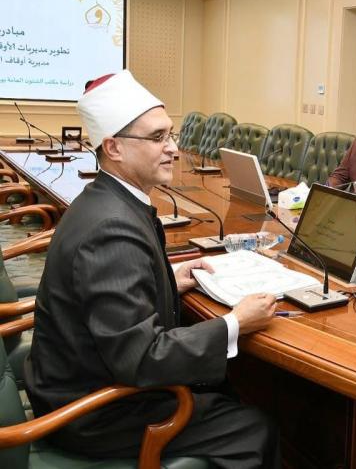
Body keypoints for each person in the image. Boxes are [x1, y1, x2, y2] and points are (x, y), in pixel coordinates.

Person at [25, 70, 280, 468]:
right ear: (114, 148)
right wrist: (235, 323)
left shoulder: (105, 198)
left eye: (171, 135)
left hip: (79, 380)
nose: (173, 148)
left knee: (228, 394)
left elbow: (107, 299)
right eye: (158, 137)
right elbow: (141, 358)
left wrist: (166, 282)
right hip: (93, 412)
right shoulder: (111, 228)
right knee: (254, 428)